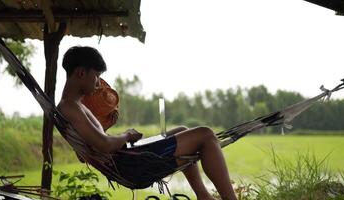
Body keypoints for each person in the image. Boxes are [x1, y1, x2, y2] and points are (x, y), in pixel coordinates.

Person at [57, 46, 237, 200]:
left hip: (127, 159)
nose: (98, 83)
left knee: (182, 130)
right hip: (131, 166)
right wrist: (126, 135)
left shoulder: (73, 106)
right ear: (81, 72)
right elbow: (103, 144)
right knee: (205, 134)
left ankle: (204, 196)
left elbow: (87, 151)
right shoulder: (71, 108)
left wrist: (106, 129)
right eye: (96, 75)